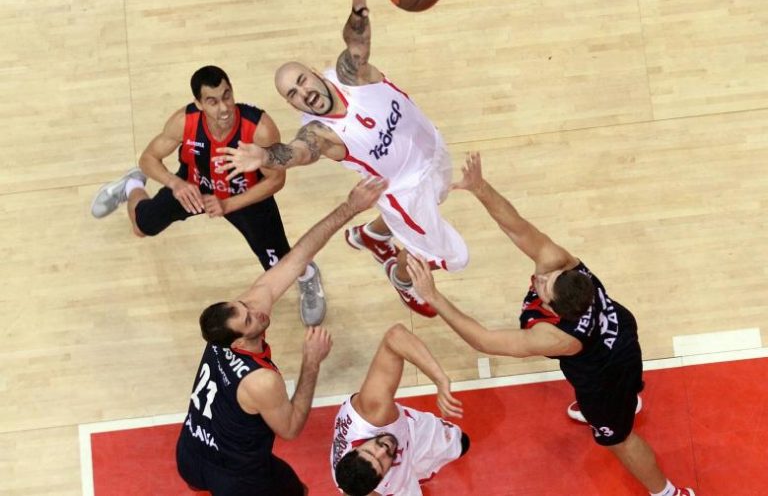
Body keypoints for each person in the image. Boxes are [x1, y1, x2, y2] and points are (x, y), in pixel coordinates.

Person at [406, 153, 696, 496]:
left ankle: (668, 492)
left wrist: (433, 297)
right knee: (623, 389)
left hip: (604, 374)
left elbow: (484, 341)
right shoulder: (561, 263)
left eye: (545, 285)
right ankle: (627, 402)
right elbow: (517, 226)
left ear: (557, 309)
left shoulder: (556, 337)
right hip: (620, 331)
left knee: (618, 438)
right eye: (551, 276)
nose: (541, 278)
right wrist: (480, 188)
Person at [214, 0, 468, 318]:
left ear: (317, 73)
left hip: (431, 148)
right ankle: (403, 276)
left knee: (439, 197)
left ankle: (372, 236)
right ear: (293, 106)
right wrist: (264, 155)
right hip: (405, 191)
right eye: (294, 94)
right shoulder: (319, 131)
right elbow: (297, 152)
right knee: (451, 255)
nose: (305, 93)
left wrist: (359, 13)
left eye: (303, 81)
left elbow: (357, 43)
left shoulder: (351, 75)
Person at [176, 176, 386, 496]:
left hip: (190, 454)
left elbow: (298, 257)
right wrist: (312, 362)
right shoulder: (261, 381)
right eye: (249, 318)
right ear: (238, 341)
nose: (258, 311)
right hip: (239, 478)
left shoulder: (224, 333)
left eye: (244, 305)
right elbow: (289, 428)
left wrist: (350, 207)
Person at [90, 65, 326, 325]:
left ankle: (307, 275)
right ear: (199, 103)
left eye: (227, 96)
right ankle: (132, 185)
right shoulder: (184, 121)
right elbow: (149, 158)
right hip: (194, 187)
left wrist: (227, 203)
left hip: (244, 196)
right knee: (141, 226)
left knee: (281, 267)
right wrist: (175, 183)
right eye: (212, 101)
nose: (223, 108)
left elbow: (276, 179)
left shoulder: (260, 128)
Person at [331, 323, 470, 496]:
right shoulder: (358, 483)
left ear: (353, 450)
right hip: (398, 487)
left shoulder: (372, 412)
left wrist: (439, 378)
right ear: (379, 481)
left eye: (370, 451)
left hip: (413, 433)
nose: (384, 449)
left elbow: (395, 337)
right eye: (381, 463)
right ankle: (413, 475)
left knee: (461, 443)